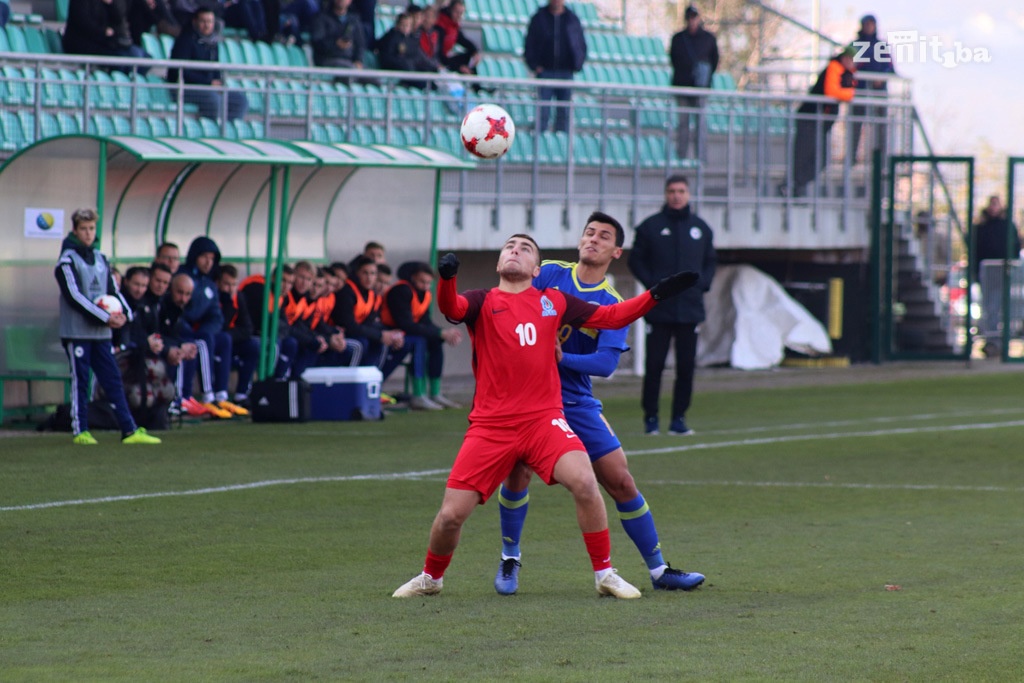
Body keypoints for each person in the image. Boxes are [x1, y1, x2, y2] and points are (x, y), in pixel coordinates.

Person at [392, 234, 699, 598]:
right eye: (509, 246)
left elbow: (612, 316)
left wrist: (655, 295)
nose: (515, 250)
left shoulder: (554, 300)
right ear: (498, 263)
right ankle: (432, 577)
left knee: (586, 482)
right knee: (450, 516)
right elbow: (452, 310)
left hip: (544, 420)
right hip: (491, 426)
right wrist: (447, 279)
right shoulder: (482, 301)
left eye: (524, 248)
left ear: (536, 269)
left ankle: (604, 574)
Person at [493, 213, 705, 595]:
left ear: (616, 251)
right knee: (517, 474)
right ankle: (510, 559)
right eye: (589, 233)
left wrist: (562, 359)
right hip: (528, 396)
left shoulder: (611, 302)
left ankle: (660, 571)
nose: (593, 239)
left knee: (620, 480)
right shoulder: (551, 273)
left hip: (575, 400)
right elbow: (512, 295)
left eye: (603, 236)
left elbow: (606, 363)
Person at [54, 208, 161, 445]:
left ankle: (129, 430)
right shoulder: (66, 261)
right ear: (75, 230)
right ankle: (80, 430)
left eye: (92, 228)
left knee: (112, 379)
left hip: (101, 333)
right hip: (77, 332)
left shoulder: (101, 259)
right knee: (80, 380)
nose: (88, 233)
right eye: (83, 228)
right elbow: (75, 296)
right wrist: (105, 316)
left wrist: (125, 315)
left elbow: (113, 291)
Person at [628, 175, 716, 436]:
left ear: (688, 194)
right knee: (654, 366)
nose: (676, 195)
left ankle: (679, 419)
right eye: (672, 191)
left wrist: (703, 284)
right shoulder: (650, 227)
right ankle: (651, 419)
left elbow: (710, 261)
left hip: (690, 310)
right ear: (666, 194)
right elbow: (636, 261)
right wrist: (654, 287)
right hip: (659, 310)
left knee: (686, 368)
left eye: (681, 191)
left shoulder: (701, 228)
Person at [380, 261, 463, 410]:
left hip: (406, 334)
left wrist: (444, 333)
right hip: (390, 331)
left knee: (436, 341)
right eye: (421, 281)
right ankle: (418, 395)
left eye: (428, 283)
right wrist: (440, 332)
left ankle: (435, 392)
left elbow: (425, 322)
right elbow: (406, 324)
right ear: (413, 278)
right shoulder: (402, 290)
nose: (425, 286)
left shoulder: (426, 295)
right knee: (420, 341)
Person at [785, 46, 857, 197]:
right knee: (804, 155)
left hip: (820, 121)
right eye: (849, 59)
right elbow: (832, 91)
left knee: (821, 159)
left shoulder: (846, 73)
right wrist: (849, 94)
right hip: (810, 117)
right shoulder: (834, 67)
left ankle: (796, 185)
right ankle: (793, 187)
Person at [167, 6, 249, 122]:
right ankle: (213, 131)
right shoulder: (184, 41)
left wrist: (218, 82)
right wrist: (208, 82)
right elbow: (181, 72)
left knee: (239, 100)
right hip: (184, 88)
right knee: (212, 98)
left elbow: (215, 68)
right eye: (203, 21)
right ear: (195, 22)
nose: (207, 25)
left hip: (207, 87)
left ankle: (228, 130)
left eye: (210, 21)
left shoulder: (212, 43)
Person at [523, 0, 587, 134]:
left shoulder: (571, 19)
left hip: (566, 73)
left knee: (564, 111)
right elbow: (529, 44)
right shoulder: (539, 18)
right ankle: (539, 144)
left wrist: (577, 63)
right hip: (545, 72)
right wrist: (534, 65)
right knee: (543, 111)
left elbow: (580, 43)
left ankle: (561, 143)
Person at [332, 255, 404, 370]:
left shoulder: (371, 294)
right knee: (361, 344)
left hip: (356, 332)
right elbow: (349, 325)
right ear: (357, 273)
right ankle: (352, 383)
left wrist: (391, 334)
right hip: (339, 333)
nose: (369, 278)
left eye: (373, 273)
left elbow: (369, 323)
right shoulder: (347, 292)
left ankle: (372, 381)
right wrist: (380, 335)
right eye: (365, 273)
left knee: (382, 342)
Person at [669, 5, 719, 160]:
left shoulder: (708, 39)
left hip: (700, 89)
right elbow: (674, 59)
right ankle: (681, 157)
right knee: (683, 124)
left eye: (694, 17)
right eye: (689, 17)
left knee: (700, 125)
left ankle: (700, 158)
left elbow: (715, 60)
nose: (692, 20)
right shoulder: (678, 38)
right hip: (683, 87)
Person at [849, 15, 896, 162]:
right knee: (856, 125)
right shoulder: (854, 46)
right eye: (867, 24)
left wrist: (880, 78)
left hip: (879, 93)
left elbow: (889, 68)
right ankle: (852, 158)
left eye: (872, 24)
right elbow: (848, 67)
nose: (869, 27)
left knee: (881, 126)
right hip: (860, 92)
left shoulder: (881, 46)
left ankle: (881, 158)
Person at [62, 0, 151, 73]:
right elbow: (82, 21)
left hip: (105, 42)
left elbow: (118, 18)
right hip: (83, 43)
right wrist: (103, 31)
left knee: (145, 58)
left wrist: (110, 4)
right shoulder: (80, 2)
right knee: (124, 60)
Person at [218, 264, 261, 405]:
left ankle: (241, 394)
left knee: (253, 346)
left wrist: (230, 335)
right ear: (218, 283)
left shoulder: (239, 297)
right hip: (218, 342)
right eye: (226, 284)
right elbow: (219, 326)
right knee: (223, 341)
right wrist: (228, 303)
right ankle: (219, 395)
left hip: (232, 340)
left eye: (234, 285)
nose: (230, 289)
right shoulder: (216, 299)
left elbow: (248, 329)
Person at [310, 0, 366, 73]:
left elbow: (360, 44)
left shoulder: (354, 21)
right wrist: (335, 44)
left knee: (373, 79)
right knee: (350, 71)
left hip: (349, 61)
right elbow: (317, 42)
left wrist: (358, 60)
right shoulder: (321, 18)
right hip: (328, 60)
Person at [435, 0, 482, 80]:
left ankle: (477, 86)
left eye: (461, 13)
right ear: (450, 10)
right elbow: (439, 54)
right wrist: (459, 67)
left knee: (470, 56)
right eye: (456, 12)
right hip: (439, 60)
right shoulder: (441, 25)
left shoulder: (454, 25)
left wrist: (475, 51)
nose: (459, 16)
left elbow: (463, 40)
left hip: (446, 58)